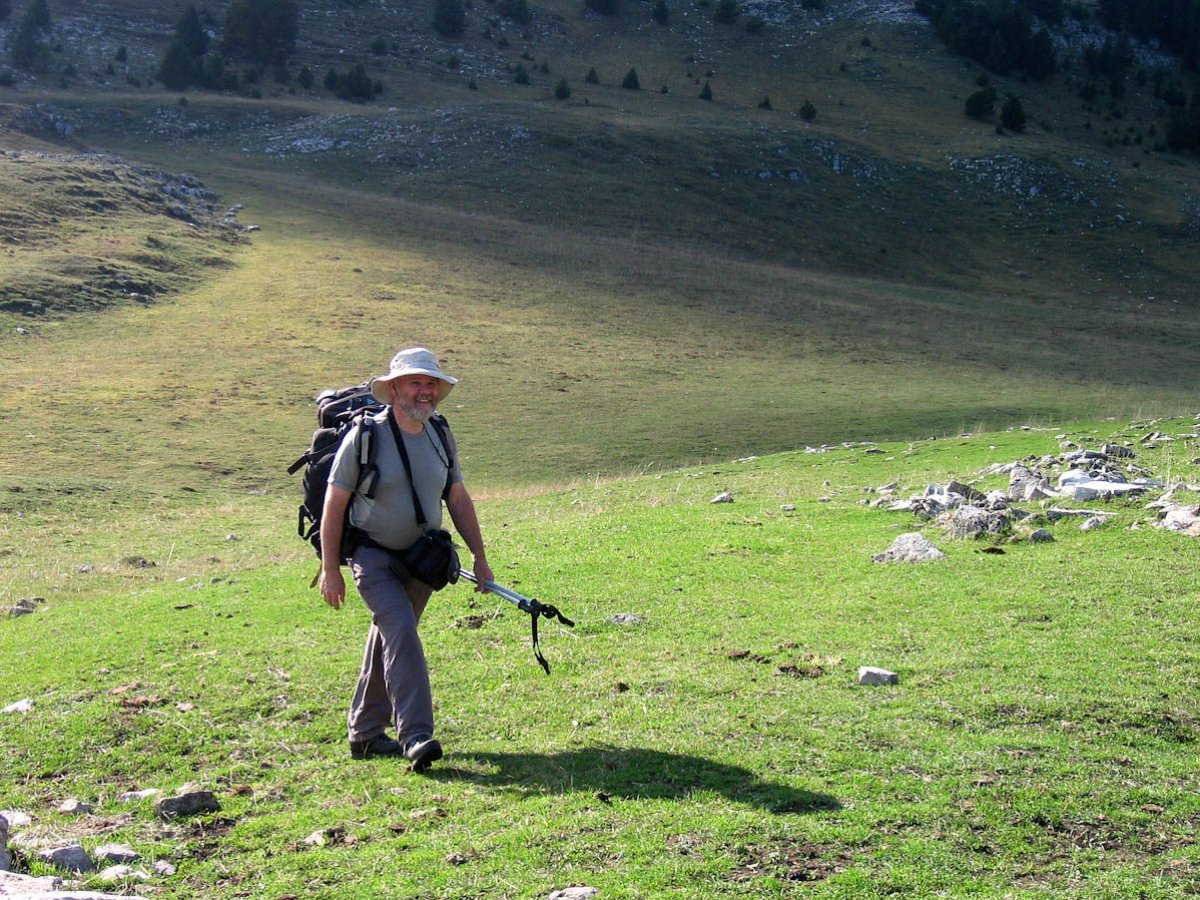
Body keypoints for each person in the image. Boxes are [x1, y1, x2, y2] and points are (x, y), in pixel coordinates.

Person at [319, 347, 494, 771]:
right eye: (416, 382)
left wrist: (480, 556)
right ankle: (416, 735)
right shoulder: (365, 437)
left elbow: (457, 496)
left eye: (431, 383)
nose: (425, 390)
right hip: (372, 557)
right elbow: (334, 504)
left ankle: (364, 732)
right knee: (401, 634)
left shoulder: (440, 434)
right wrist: (329, 569)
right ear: (394, 388)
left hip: (423, 560)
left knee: (390, 638)